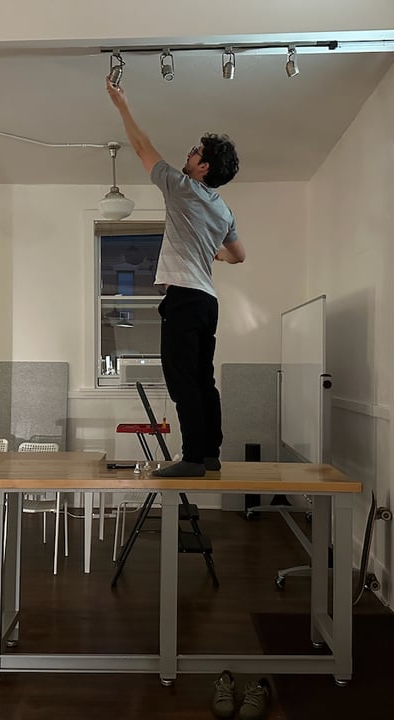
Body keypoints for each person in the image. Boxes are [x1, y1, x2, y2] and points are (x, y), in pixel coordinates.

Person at [106, 79, 246, 477]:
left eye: (196, 151)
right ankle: (211, 453)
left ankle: (193, 459)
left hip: (184, 298)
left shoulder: (182, 187)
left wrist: (122, 105)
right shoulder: (223, 209)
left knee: (182, 378)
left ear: (203, 167)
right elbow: (240, 255)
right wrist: (214, 252)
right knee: (203, 378)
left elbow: (141, 147)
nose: (190, 152)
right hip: (207, 302)